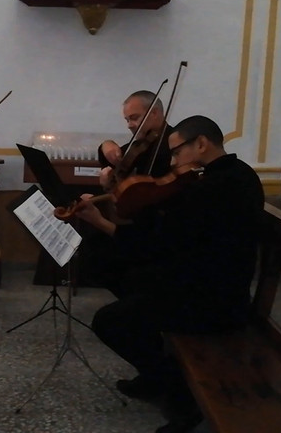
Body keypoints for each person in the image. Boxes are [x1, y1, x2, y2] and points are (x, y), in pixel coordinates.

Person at [75, 116, 264, 433]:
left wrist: (101, 222)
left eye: (176, 153)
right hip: (204, 279)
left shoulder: (216, 186)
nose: (173, 162)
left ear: (201, 144)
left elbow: (159, 243)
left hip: (214, 300)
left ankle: (180, 397)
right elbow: (170, 233)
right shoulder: (230, 175)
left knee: (110, 321)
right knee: (117, 271)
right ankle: (156, 374)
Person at [78, 90, 175, 298]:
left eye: (134, 118)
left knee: (98, 255)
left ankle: (139, 302)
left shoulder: (173, 147)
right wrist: (107, 145)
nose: (130, 124)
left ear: (156, 114)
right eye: (127, 119)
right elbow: (109, 158)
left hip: (158, 232)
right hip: (138, 224)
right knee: (92, 248)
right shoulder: (142, 143)